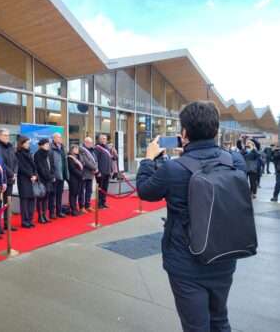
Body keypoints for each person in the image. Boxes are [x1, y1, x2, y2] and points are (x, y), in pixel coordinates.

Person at [136, 101, 246, 332]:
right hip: (225, 255)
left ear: (184, 133)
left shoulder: (173, 169)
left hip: (185, 260)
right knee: (219, 319)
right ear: (216, 131)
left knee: (196, 325)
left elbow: (146, 191)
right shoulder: (234, 162)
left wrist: (148, 159)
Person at [0, 128, 18, 231]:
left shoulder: (10, 147)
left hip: (10, 179)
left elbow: (15, 160)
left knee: (8, 202)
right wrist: (10, 173)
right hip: (1, 179)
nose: (7, 137)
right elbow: (1, 163)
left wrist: (14, 172)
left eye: (8, 135)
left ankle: (7, 223)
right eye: (5, 135)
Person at [16, 136, 37, 228]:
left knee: (32, 200)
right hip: (24, 179)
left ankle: (30, 219)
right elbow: (20, 167)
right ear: (22, 143)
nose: (29, 144)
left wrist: (35, 175)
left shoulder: (29, 153)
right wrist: (30, 175)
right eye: (27, 143)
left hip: (32, 179)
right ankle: (25, 221)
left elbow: (34, 166)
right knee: (24, 201)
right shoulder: (18, 154)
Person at [34, 138, 54, 223]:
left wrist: (52, 175)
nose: (48, 146)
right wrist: (48, 176)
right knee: (41, 198)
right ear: (41, 145)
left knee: (46, 197)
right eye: (46, 144)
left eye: (48, 144)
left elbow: (52, 165)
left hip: (49, 179)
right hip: (42, 179)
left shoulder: (49, 153)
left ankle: (45, 215)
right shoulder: (38, 154)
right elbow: (40, 168)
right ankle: (40, 216)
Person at [49, 132, 69, 219]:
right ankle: (52, 213)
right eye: (58, 137)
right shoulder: (50, 148)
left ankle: (59, 211)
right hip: (55, 175)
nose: (60, 139)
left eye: (61, 137)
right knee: (53, 195)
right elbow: (50, 163)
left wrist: (66, 174)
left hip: (62, 175)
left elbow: (65, 162)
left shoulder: (62, 148)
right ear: (54, 139)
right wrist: (52, 175)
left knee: (59, 194)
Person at [79, 137, 98, 213]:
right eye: (90, 143)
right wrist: (94, 168)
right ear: (86, 142)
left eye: (92, 143)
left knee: (89, 191)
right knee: (82, 191)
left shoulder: (92, 150)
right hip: (84, 173)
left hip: (91, 174)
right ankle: (82, 207)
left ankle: (88, 205)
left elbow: (95, 160)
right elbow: (85, 161)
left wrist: (96, 168)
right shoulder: (81, 150)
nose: (91, 144)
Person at [95, 134, 113, 209]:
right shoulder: (97, 148)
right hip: (100, 172)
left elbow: (110, 160)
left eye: (105, 139)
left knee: (105, 188)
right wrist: (97, 171)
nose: (104, 140)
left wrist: (111, 170)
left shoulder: (107, 148)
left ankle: (103, 202)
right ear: (99, 139)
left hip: (107, 171)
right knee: (100, 188)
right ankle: (99, 204)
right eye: (102, 138)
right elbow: (95, 160)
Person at [67, 144, 84, 216]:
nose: (77, 150)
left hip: (78, 178)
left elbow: (81, 166)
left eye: (77, 149)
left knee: (76, 193)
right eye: (75, 149)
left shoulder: (77, 157)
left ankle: (75, 208)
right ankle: (73, 209)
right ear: (72, 150)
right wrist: (80, 174)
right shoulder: (70, 158)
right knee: (73, 194)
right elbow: (72, 169)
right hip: (73, 178)